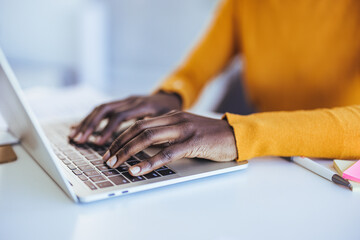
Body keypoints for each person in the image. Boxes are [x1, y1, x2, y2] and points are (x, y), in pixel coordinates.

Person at [69, 0, 360, 177]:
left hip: (335, 174)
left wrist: (238, 133)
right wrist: (168, 96)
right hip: (271, 165)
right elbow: (195, 71)